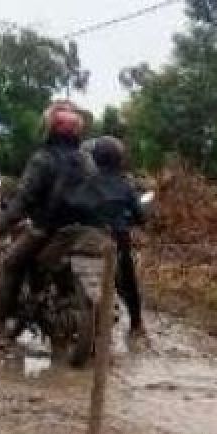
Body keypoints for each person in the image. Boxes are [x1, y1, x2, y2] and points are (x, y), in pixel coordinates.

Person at [0, 102, 90, 350]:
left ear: (49, 128)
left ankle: (0, 329)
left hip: (47, 229)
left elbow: (24, 198)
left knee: (9, 265)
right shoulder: (86, 161)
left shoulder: (43, 159)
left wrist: (0, 225)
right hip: (81, 232)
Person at [86, 136, 148, 338]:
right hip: (117, 240)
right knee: (128, 282)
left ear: (95, 157)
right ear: (119, 159)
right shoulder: (125, 186)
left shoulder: (86, 181)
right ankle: (136, 325)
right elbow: (141, 216)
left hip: (87, 238)